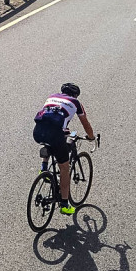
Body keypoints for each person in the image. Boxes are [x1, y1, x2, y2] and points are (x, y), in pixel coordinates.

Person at [33, 82, 95, 215]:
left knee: (49, 140)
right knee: (64, 168)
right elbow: (85, 123)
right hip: (56, 134)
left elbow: (51, 119)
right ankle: (65, 204)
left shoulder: (52, 97)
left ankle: (44, 167)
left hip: (37, 132)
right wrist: (91, 137)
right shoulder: (76, 103)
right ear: (75, 95)